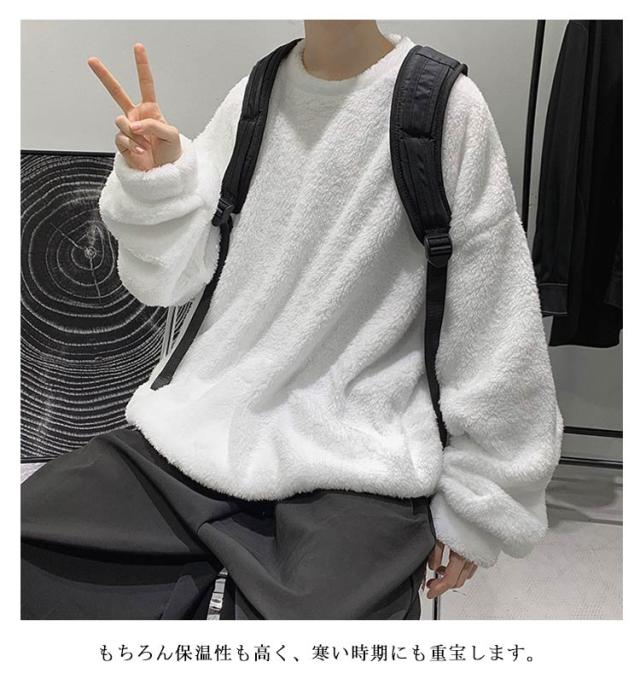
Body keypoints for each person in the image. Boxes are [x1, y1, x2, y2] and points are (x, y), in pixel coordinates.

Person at [21, 20, 563, 620]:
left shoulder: (445, 106)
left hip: (360, 453)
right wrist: (161, 182)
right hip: (204, 424)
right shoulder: (256, 94)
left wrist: (482, 499)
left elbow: (494, 317)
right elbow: (170, 281)